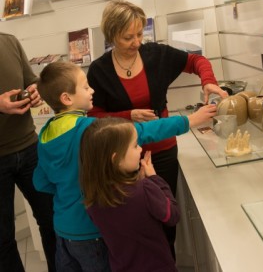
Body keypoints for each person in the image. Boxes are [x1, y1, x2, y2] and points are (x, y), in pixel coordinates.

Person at [33, 61, 216, 271]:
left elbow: (41, 182)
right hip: (92, 231)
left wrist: (69, 186)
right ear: (66, 98)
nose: (92, 90)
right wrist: (189, 121)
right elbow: (142, 131)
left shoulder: (45, 134)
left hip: (63, 232)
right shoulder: (90, 130)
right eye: (85, 87)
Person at [87, 0, 228, 257]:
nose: (137, 42)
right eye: (127, 37)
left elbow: (197, 60)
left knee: (164, 222)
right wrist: (127, 115)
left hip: (162, 152)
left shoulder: (156, 55)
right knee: (131, 229)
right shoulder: (99, 70)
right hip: (121, 158)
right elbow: (95, 118)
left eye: (140, 34)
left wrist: (209, 82)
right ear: (111, 35)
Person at [80, 117, 180, 272]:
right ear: (116, 159)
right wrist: (154, 178)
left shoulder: (92, 197)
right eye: (134, 145)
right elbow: (172, 215)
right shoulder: (146, 189)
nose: (140, 148)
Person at [0, 32, 56, 272]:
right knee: (2, 238)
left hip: (29, 147)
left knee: (52, 220)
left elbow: (31, 80)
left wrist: (34, 90)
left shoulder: (9, 41)